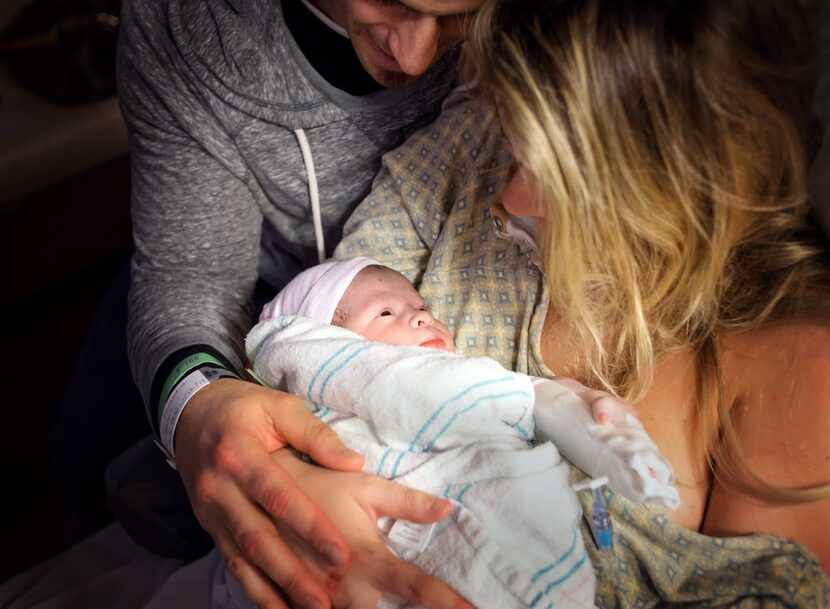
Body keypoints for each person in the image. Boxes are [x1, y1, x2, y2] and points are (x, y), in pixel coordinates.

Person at [330, 0, 830, 604]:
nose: (509, 201)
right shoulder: (463, 157)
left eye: (565, 185)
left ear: (683, 192)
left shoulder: (793, 371)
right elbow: (310, 348)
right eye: (516, 147)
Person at [53, 0, 486, 608]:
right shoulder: (185, 26)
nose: (414, 58)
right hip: (251, 288)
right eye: (390, 1)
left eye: (457, 16)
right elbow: (191, 271)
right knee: (89, 462)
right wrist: (198, 407)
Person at [140, 256, 676, 609]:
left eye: (422, 308)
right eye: (389, 311)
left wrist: (590, 419)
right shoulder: (337, 366)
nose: (422, 319)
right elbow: (435, 392)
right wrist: (524, 396)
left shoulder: (458, 374)